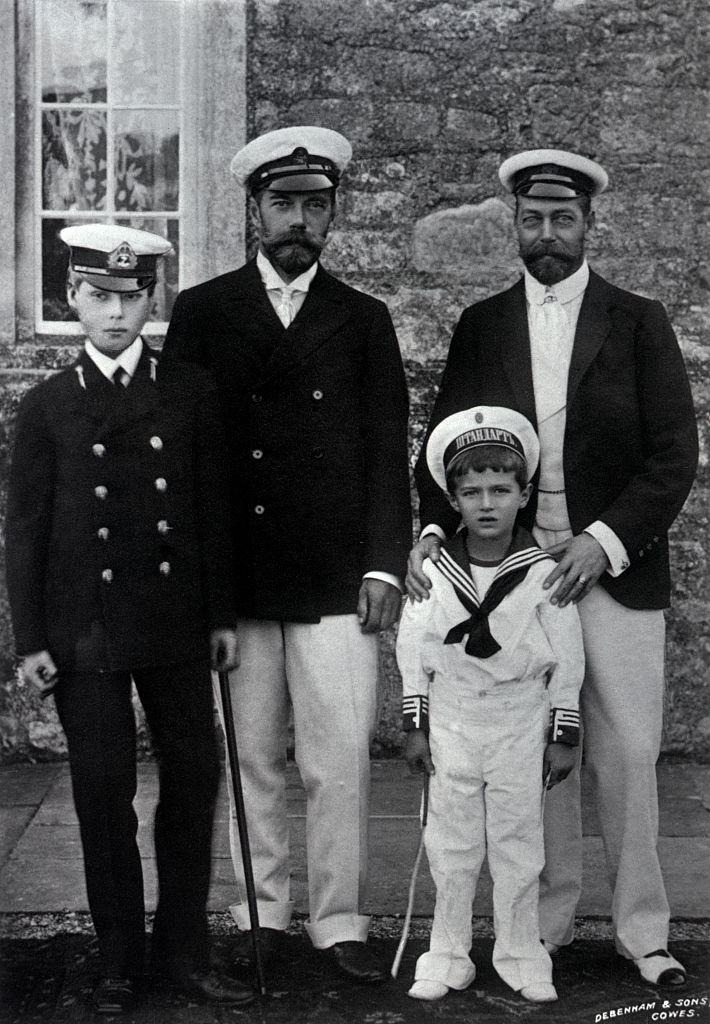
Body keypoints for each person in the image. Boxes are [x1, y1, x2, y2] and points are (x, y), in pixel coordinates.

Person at [407, 150, 698, 987]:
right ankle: (548, 923)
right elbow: (446, 451)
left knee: (628, 753)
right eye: (531, 220)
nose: (547, 235)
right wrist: (435, 534)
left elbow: (674, 454)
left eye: (562, 219)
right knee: (542, 753)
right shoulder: (482, 324)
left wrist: (601, 541)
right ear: (514, 226)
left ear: (589, 224)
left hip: (613, 571)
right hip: (518, 579)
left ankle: (644, 934)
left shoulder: (638, 320)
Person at [162, 126, 412, 982]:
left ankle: (340, 920)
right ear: (254, 212)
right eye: (283, 204)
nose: (299, 221)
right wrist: (199, 582)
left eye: (315, 204)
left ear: (333, 212)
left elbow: (389, 451)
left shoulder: (363, 318)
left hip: (337, 574)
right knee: (254, 754)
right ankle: (263, 912)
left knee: (337, 756)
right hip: (238, 571)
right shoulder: (202, 313)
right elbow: (180, 455)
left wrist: (384, 565)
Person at [5, 224, 255, 1014]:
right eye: (100, 296)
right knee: (103, 789)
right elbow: (27, 533)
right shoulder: (46, 407)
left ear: (154, 298)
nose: (117, 314)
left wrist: (221, 616)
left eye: (132, 296)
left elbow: (212, 509)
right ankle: (118, 952)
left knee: (193, 778)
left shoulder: (188, 389)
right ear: (73, 298)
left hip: (177, 622)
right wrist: (32, 641)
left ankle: (183, 948)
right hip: (87, 628)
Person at [398, 406, 584, 1004]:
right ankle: (448, 953)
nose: (486, 504)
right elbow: (414, 651)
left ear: (523, 493)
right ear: (452, 499)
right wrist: (416, 725)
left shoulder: (543, 574)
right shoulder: (434, 571)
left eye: (500, 490)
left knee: (518, 843)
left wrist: (563, 733)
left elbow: (567, 659)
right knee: (451, 847)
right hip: (453, 717)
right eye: (471, 491)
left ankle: (520, 952)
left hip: (520, 719)